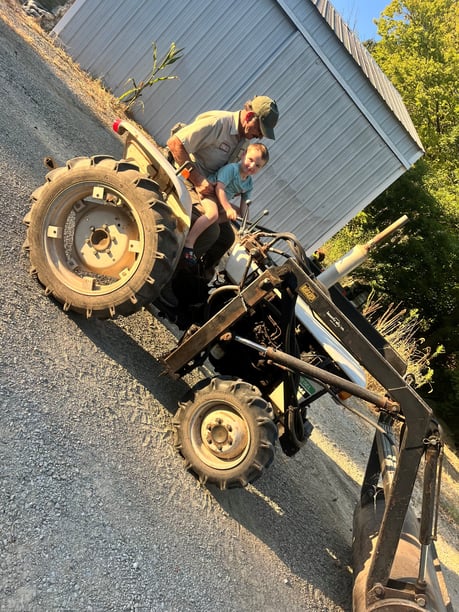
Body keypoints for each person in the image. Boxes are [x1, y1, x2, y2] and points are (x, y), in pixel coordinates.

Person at [167, 95, 279, 273]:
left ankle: (198, 278)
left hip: (210, 188)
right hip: (186, 176)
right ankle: (172, 274)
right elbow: (175, 144)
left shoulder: (245, 142)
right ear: (249, 117)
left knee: (226, 238)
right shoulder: (219, 123)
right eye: (260, 131)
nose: (260, 137)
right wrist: (197, 179)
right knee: (211, 232)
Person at [181, 142, 270, 264]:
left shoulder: (248, 183)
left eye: (258, 165)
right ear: (243, 155)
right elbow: (220, 188)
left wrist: (246, 226)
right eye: (250, 160)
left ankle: (206, 264)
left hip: (221, 201)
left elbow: (245, 206)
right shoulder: (232, 169)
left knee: (236, 214)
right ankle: (189, 242)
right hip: (210, 193)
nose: (252, 166)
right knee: (213, 214)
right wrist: (228, 208)